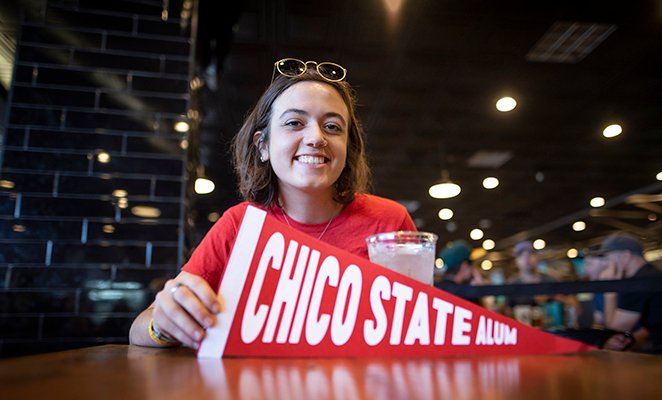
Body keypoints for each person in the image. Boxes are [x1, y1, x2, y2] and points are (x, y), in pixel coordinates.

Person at [129, 59, 416, 349]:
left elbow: (418, 330)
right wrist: (163, 324)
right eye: (294, 123)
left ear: (347, 148)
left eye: (332, 127)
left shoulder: (390, 222)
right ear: (262, 145)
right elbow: (140, 328)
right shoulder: (238, 226)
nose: (316, 138)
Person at [599, 233, 662, 352]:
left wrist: (609, 288)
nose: (605, 265)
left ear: (626, 256)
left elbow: (615, 330)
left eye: (607, 258)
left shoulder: (639, 282)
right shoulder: (651, 274)